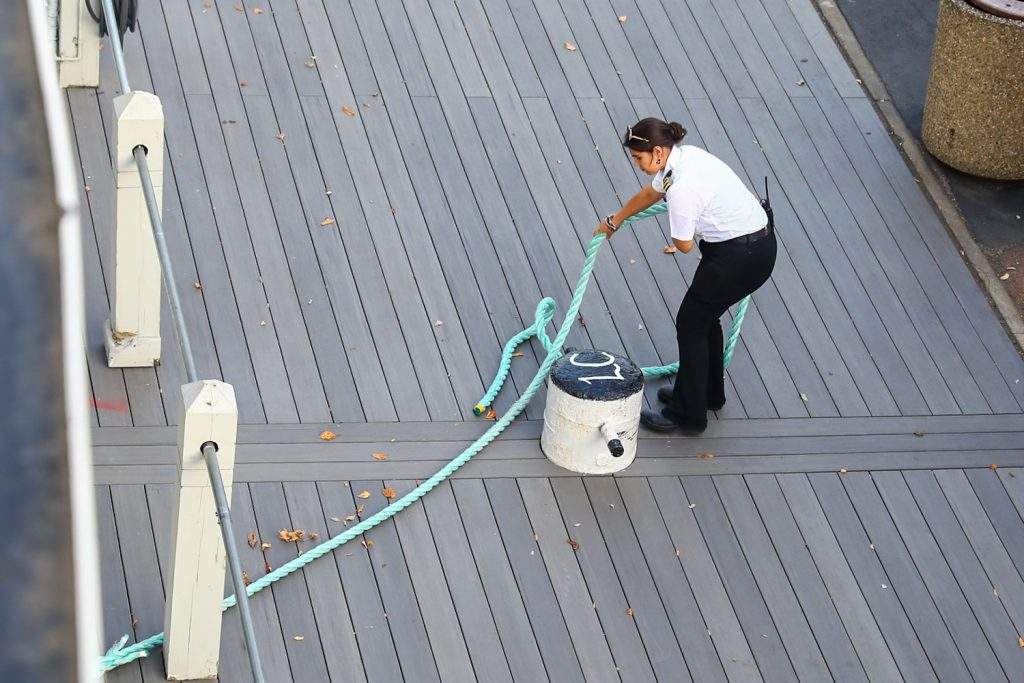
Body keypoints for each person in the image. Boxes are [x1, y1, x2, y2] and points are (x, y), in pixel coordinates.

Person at [595, 117, 777, 435]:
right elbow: (650, 194)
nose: (637, 164)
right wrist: (616, 219)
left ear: (658, 153)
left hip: (737, 258)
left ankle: (687, 414)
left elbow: (684, 245)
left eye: (638, 158)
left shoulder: (681, 188)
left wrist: (687, 221)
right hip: (758, 246)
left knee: (691, 324)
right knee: (705, 319)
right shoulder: (685, 158)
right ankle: (708, 394)